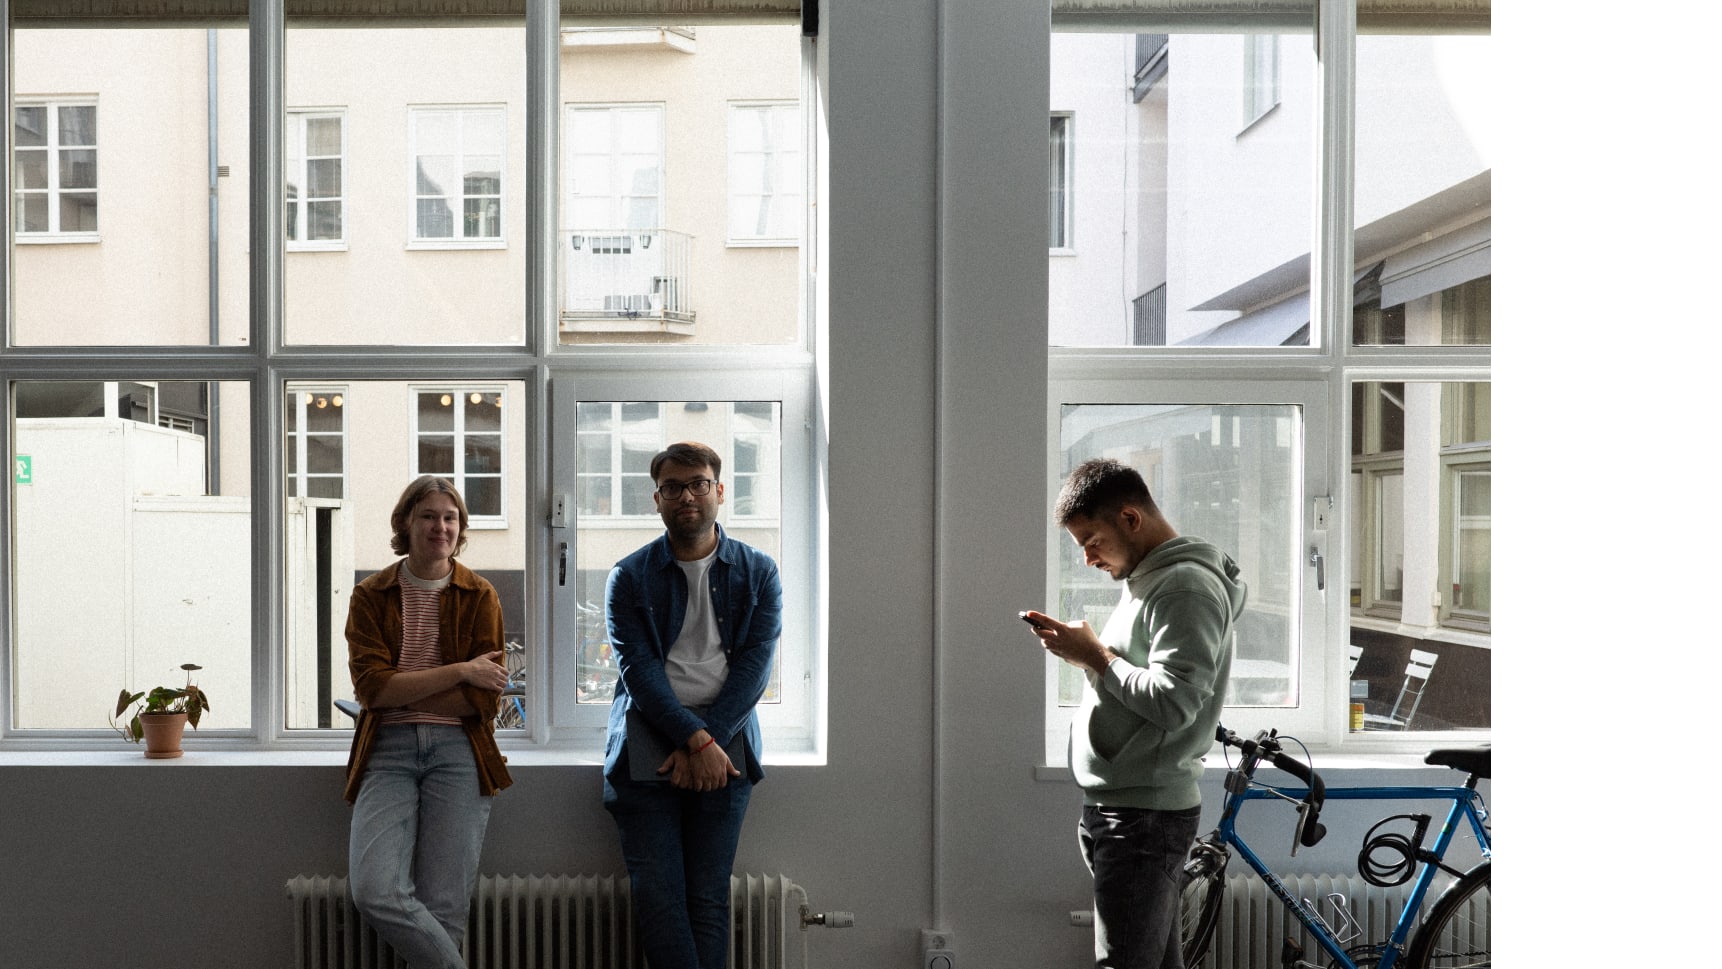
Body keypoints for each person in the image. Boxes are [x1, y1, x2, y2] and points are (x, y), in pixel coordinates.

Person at [1023, 458, 1248, 969]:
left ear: (1130, 519)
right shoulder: (1150, 582)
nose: (1086, 558)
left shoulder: (1183, 588)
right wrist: (1085, 652)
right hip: (1129, 809)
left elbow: (1174, 703)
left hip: (1143, 816)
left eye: (1091, 540)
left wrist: (1095, 656)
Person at [602, 441, 783, 969]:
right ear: (656, 499)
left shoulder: (758, 571)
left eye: (699, 484)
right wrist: (694, 738)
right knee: (661, 905)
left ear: (719, 492)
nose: (687, 496)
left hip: (727, 747)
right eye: (673, 487)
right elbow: (637, 671)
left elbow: (755, 670)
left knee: (707, 902)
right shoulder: (629, 576)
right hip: (645, 746)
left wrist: (708, 739)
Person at [343, 475, 513, 969]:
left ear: (459, 529)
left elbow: (481, 703)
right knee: (374, 890)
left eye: (450, 517)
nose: (440, 526)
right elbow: (372, 690)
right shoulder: (371, 595)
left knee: (444, 909)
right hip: (388, 751)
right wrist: (459, 670)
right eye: (428, 515)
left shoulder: (480, 595)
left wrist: (404, 690)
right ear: (405, 523)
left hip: (460, 753)